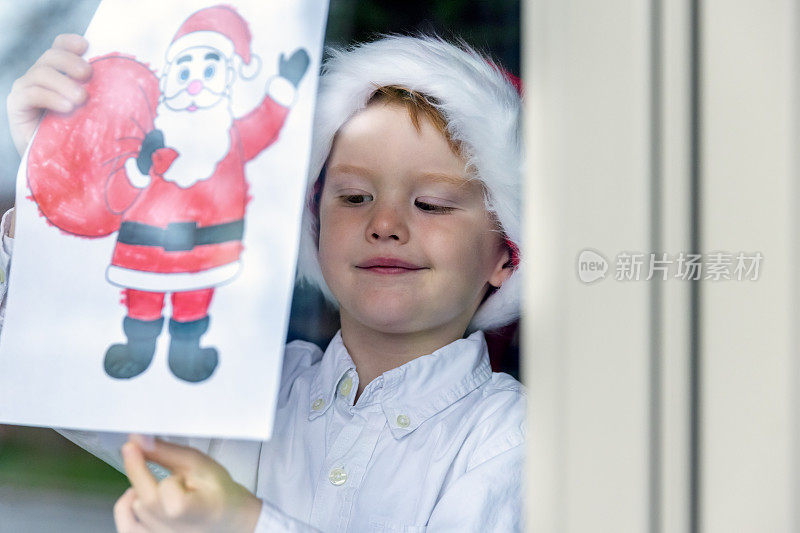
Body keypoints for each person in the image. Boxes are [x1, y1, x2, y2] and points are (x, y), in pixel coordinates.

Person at [3, 31, 524, 532]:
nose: (384, 224)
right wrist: (58, 173)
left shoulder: (514, 439)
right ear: (314, 224)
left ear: (507, 252)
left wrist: (246, 524)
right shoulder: (246, 381)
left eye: (431, 203)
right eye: (354, 197)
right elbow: (75, 382)